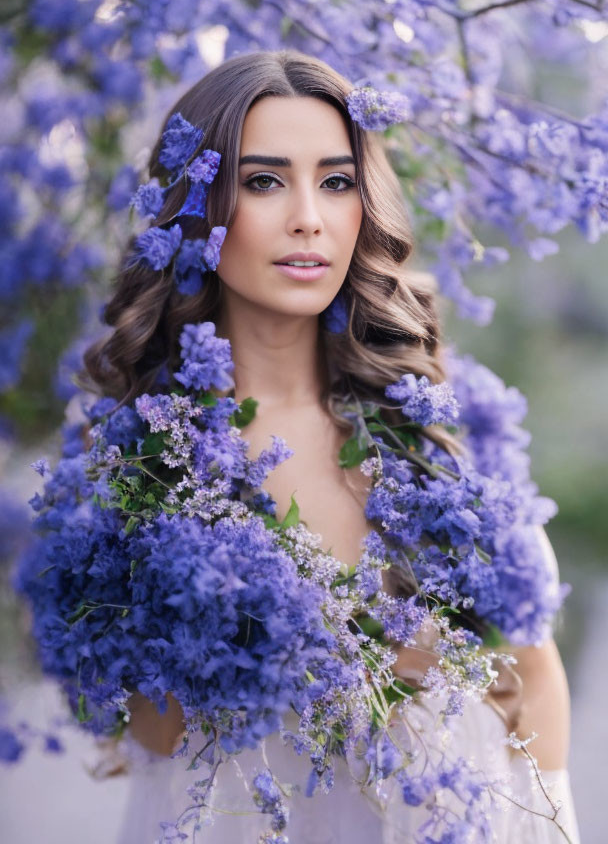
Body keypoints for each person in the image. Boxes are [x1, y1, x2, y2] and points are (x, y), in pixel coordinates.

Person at [81, 50, 580, 842]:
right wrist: (366, 662)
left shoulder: (430, 427)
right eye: (263, 181)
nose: (308, 216)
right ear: (198, 208)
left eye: (337, 181)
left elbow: (535, 677)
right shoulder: (150, 455)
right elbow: (157, 734)